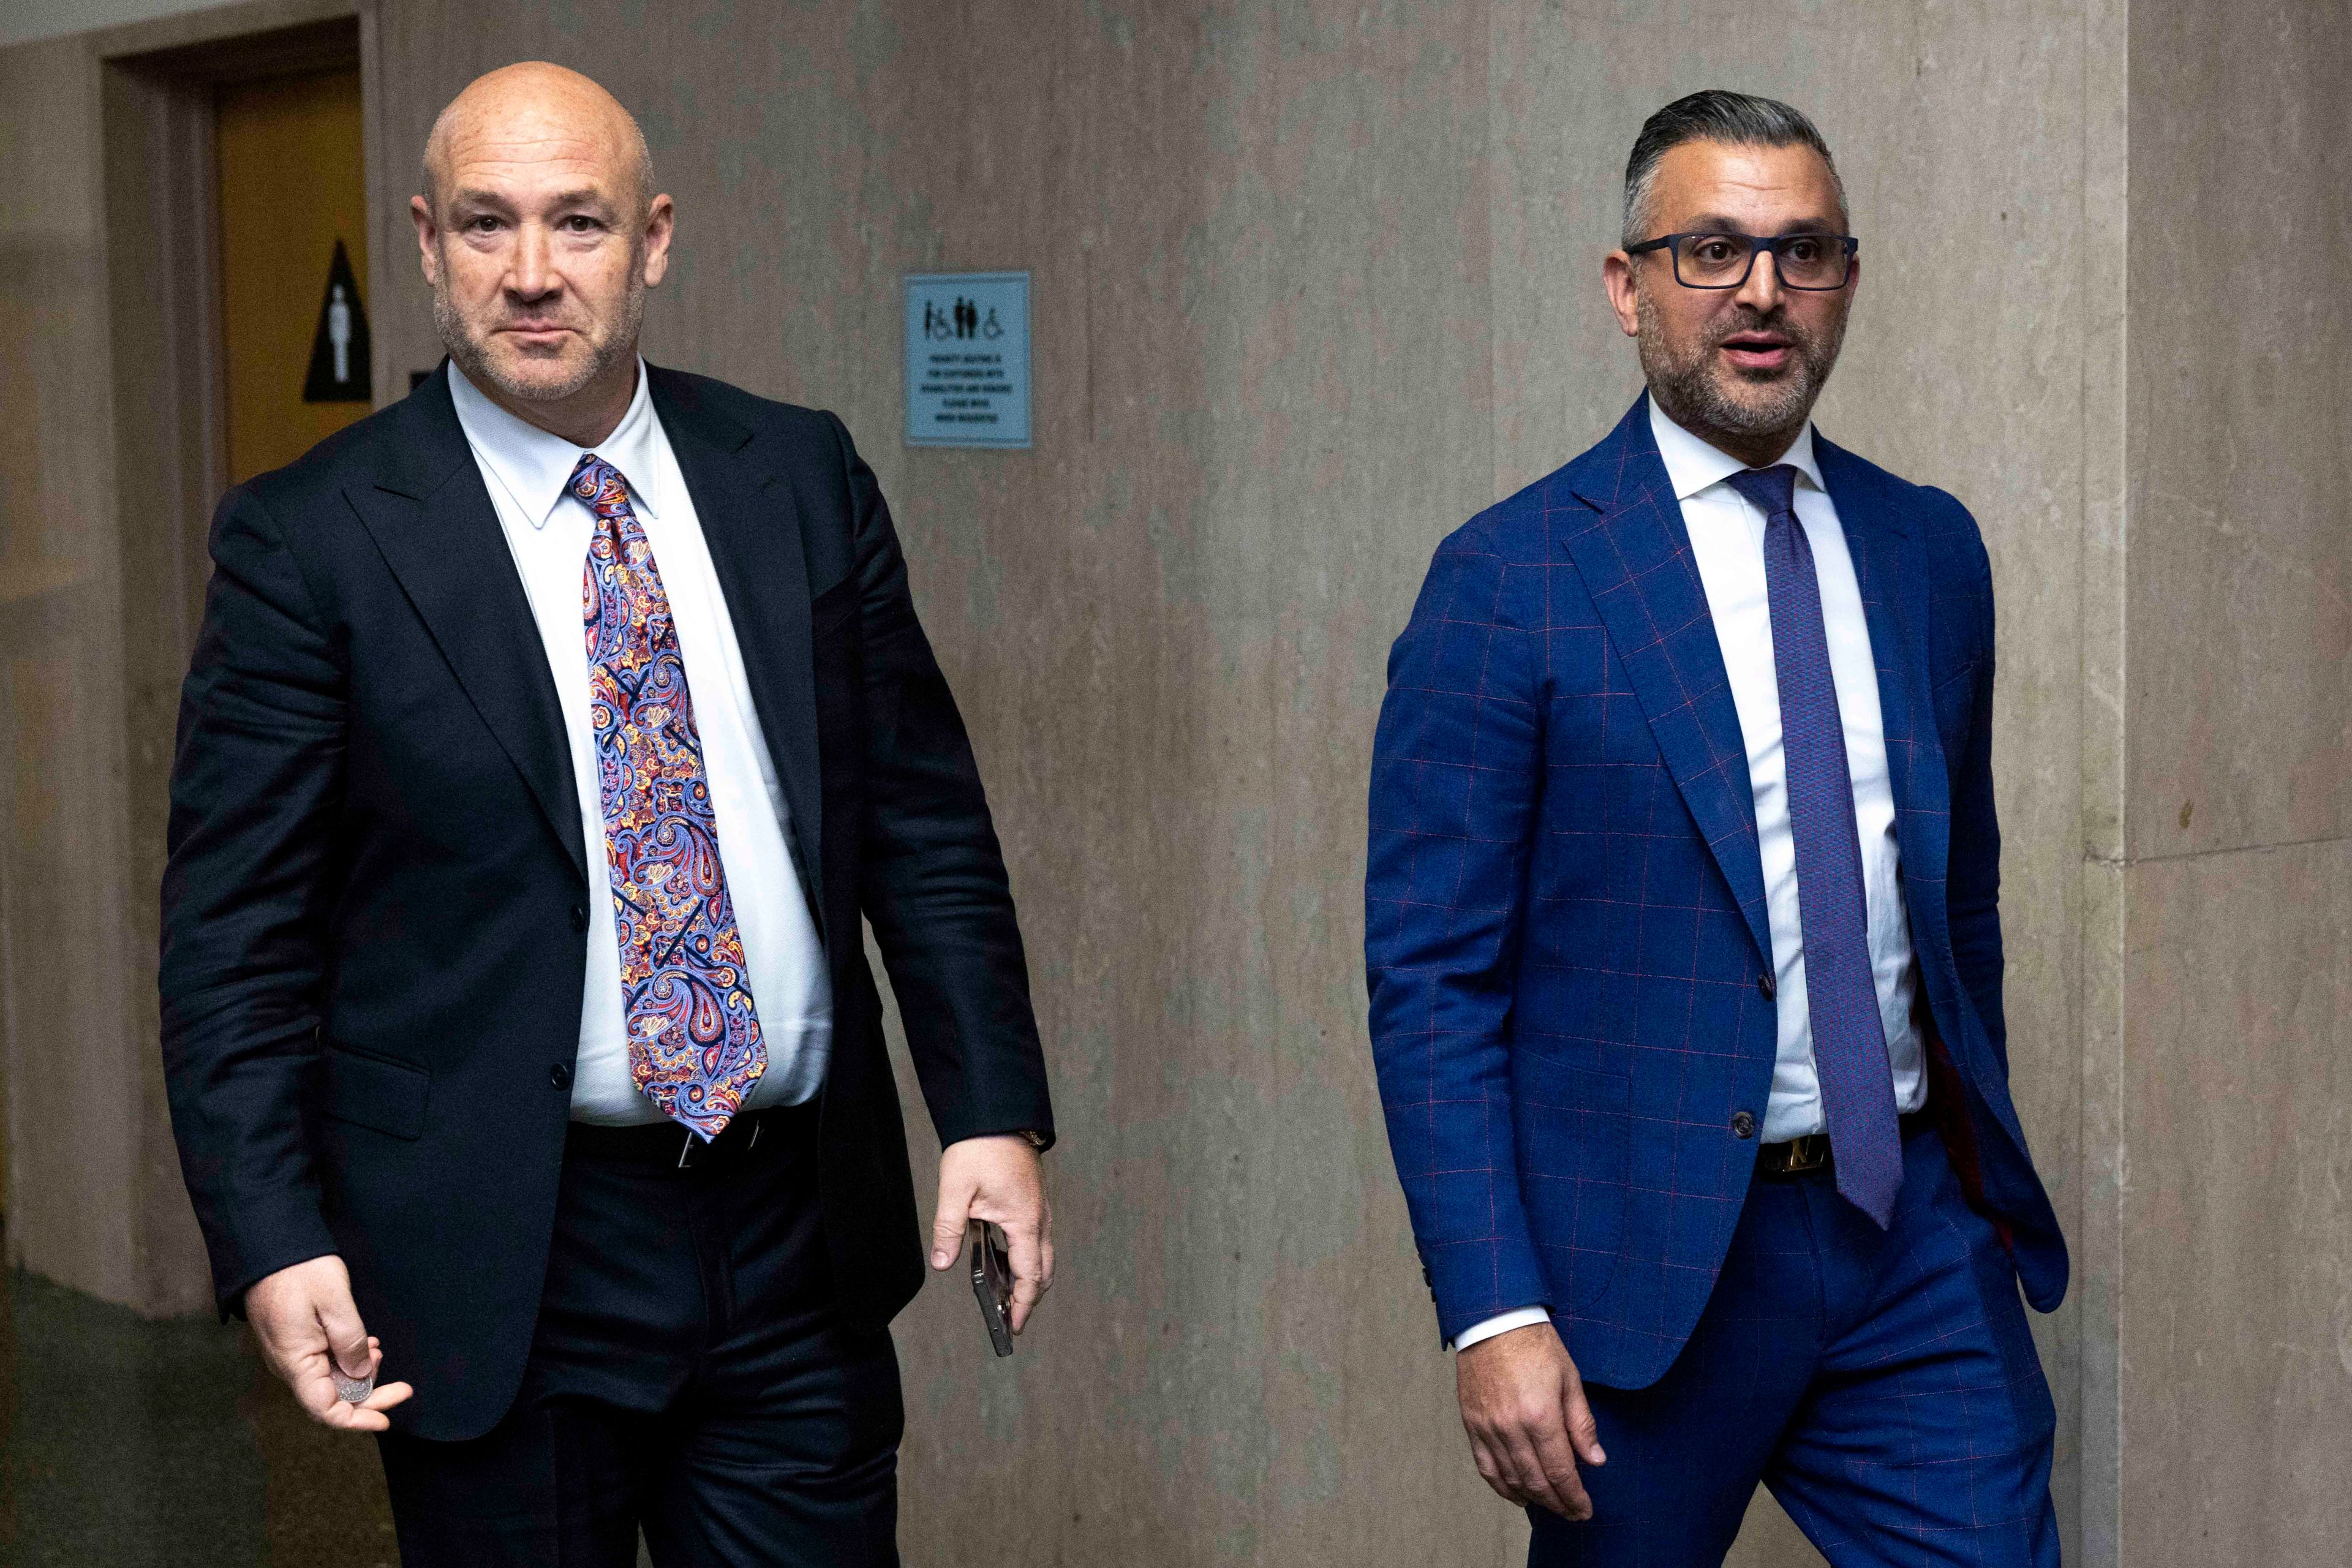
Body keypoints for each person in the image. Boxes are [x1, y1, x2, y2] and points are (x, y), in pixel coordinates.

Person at [159, 62, 1055, 1567]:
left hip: (791, 1235)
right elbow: (233, 941)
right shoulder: (310, 541)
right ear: (430, 246)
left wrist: (989, 1107)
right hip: (498, 1247)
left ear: (652, 242)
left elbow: (925, 828)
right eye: (486, 226)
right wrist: (273, 1228)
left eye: (577, 224)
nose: (529, 273)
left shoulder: (797, 475)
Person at [1364, 89, 2067, 1566]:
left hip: (1909, 1245)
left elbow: (1961, 897)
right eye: (1713, 250)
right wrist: (1495, 1310)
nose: (1762, 291)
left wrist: (1980, 1193)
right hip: (1649, 1274)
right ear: (1628, 286)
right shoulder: (1512, 579)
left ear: (1848, 283)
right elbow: (1435, 982)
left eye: (1803, 252)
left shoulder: (1926, 547)